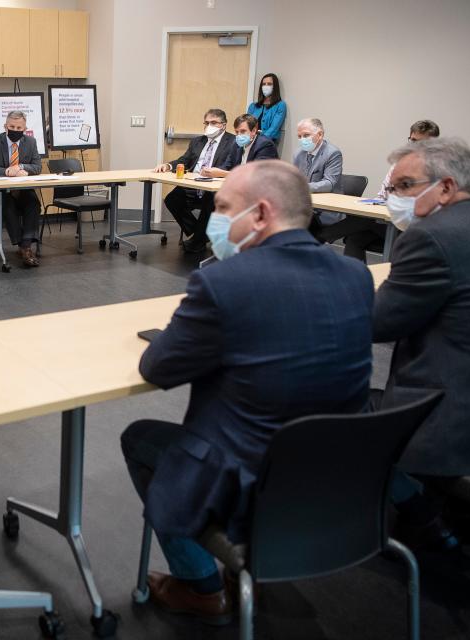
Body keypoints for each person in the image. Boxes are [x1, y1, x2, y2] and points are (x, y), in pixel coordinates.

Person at [121, 160, 373, 625]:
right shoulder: (355, 277)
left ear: (259, 215)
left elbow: (158, 368)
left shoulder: (224, 283)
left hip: (250, 483)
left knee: (139, 437)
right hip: (341, 480)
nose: (213, 218)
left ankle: (200, 587)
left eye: (220, 207)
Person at [373, 138, 470, 547]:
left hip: (448, 417)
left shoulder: (430, 238)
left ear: (445, 187)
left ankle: (421, 515)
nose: (395, 198)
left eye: (404, 185)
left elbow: (379, 322)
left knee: (330, 404)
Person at [321, 120, 441, 262]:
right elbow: (383, 193)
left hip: (413, 228)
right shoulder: (399, 163)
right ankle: (356, 281)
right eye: (412, 140)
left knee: (365, 221)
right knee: (356, 238)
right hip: (387, 220)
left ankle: (321, 235)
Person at [153, 108, 237, 253]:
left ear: (223, 124)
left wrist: (215, 174)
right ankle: (200, 233)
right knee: (172, 199)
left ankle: (197, 242)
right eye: (206, 123)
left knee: (210, 201)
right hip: (193, 184)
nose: (209, 126)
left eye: (214, 122)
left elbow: (230, 165)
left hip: (214, 186)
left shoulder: (233, 142)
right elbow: (184, 160)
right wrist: (167, 165)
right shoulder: (197, 141)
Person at [0, 110, 43, 267]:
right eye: (12, 126)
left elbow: (37, 166)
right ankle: (23, 246)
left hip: (21, 190)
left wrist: (21, 167)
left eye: (19, 128)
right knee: (6, 204)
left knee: (33, 202)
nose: (15, 130)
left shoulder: (31, 142)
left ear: (24, 129)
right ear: (5, 126)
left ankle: (26, 245)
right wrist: (6, 171)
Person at [292, 118, 343, 234]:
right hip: (303, 204)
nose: (302, 140)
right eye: (299, 136)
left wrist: (301, 186)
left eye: (306, 135)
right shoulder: (298, 153)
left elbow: (329, 183)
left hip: (325, 210)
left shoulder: (333, 153)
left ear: (320, 134)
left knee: (292, 223)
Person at [199, 113, 278, 178]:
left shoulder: (265, 145)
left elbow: (256, 174)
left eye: (243, 131)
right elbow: (226, 166)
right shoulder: (236, 144)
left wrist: (222, 173)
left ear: (253, 131)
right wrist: (211, 171)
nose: (239, 135)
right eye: (237, 132)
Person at [245, 73, 287, 144]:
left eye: (269, 84)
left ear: (275, 87)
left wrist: (259, 140)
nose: (266, 86)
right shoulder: (253, 106)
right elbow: (247, 124)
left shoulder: (280, 105)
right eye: (263, 84)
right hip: (250, 141)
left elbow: (273, 129)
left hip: (267, 142)